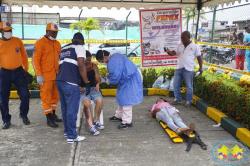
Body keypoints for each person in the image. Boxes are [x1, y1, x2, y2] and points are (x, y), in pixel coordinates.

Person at [95, 50, 143, 129]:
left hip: (130, 80)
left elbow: (115, 78)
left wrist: (105, 80)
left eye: (101, 61)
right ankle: (119, 115)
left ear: (104, 57)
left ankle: (127, 122)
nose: (102, 62)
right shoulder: (115, 56)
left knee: (127, 100)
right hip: (126, 79)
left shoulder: (112, 62)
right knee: (121, 98)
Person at [57, 32, 91, 143]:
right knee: (72, 110)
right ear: (82, 41)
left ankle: (67, 131)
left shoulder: (64, 48)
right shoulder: (79, 47)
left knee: (65, 108)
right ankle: (72, 136)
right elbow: (81, 65)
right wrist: (86, 82)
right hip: (71, 83)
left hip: (60, 81)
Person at [0, 21, 30, 129]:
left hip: (18, 72)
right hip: (4, 73)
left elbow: (24, 55)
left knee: (25, 95)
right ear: (1, 31)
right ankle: (6, 120)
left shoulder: (17, 41)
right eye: (6, 31)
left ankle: (23, 115)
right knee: (3, 98)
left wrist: (25, 69)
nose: (9, 32)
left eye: (10, 30)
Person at [33, 23, 62, 128]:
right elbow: (35, 60)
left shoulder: (58, 44)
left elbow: (60, 59)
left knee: (55, 96)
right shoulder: (40, 43)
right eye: (53, 32)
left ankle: (53, 115)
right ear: (47, 31)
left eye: (56, 32)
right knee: (46, 97)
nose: (55, 34)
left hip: (56, 75)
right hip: (45, 76)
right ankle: (49, 118)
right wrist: (39, 75)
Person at [166, 31, 202, 106]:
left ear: (188, 37)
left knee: (189, 86)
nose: (182, 39)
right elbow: (173, 53)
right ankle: (178, 99)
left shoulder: (195, 46)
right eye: (181, 37)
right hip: (179, 67)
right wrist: (168, 51)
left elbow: (199, 57)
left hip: (189, 69)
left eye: (183, 37)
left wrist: (200, 68)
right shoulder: (179, 45)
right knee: (175, 84)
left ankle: (189, 101)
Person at [80, 50, 103, 136]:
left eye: (89, 60)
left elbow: (98, 79)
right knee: (87, 103)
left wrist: (97, 83)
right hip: (82, 90)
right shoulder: (78, 67)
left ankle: (96, 120)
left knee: (99, 100)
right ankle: (90, 126)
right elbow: (74, 82)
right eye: (86, 60)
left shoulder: (94, 66)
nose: (88, 62)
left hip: (93, 89)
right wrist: (79, 87)